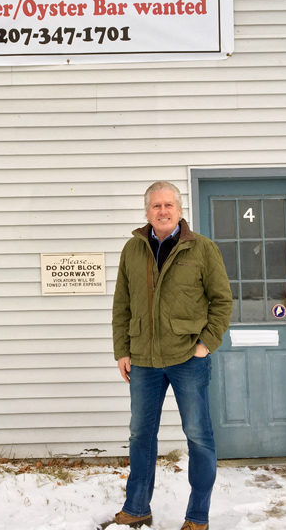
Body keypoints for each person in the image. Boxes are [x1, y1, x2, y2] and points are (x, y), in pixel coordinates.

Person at [101, 181, 233, 530]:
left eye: (169, 205)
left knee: (199, 436)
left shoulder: (203, 249)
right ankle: (136, 508)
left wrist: (206, 343)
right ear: (147, 211)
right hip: (143, 359)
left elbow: (222, 301)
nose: (163, 211)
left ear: (179, 209)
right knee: (141, 436)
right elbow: (122, 306)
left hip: (188, 357)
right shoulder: (132, 249)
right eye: (156, 206)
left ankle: (197, 516)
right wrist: (122, 350)